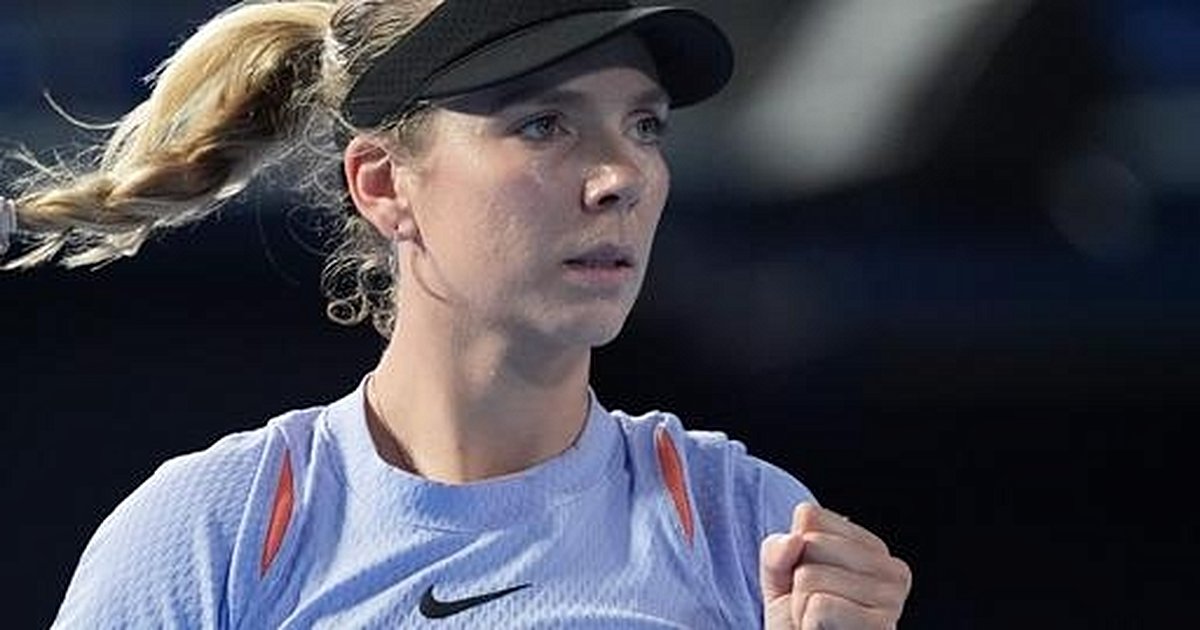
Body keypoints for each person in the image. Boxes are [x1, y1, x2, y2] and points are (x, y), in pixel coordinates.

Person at [2, 1, 911, 627]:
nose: (621, 177)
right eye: (544, 124)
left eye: (644, 126)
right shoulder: (211, 535)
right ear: (384, 184)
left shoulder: (751, 529)